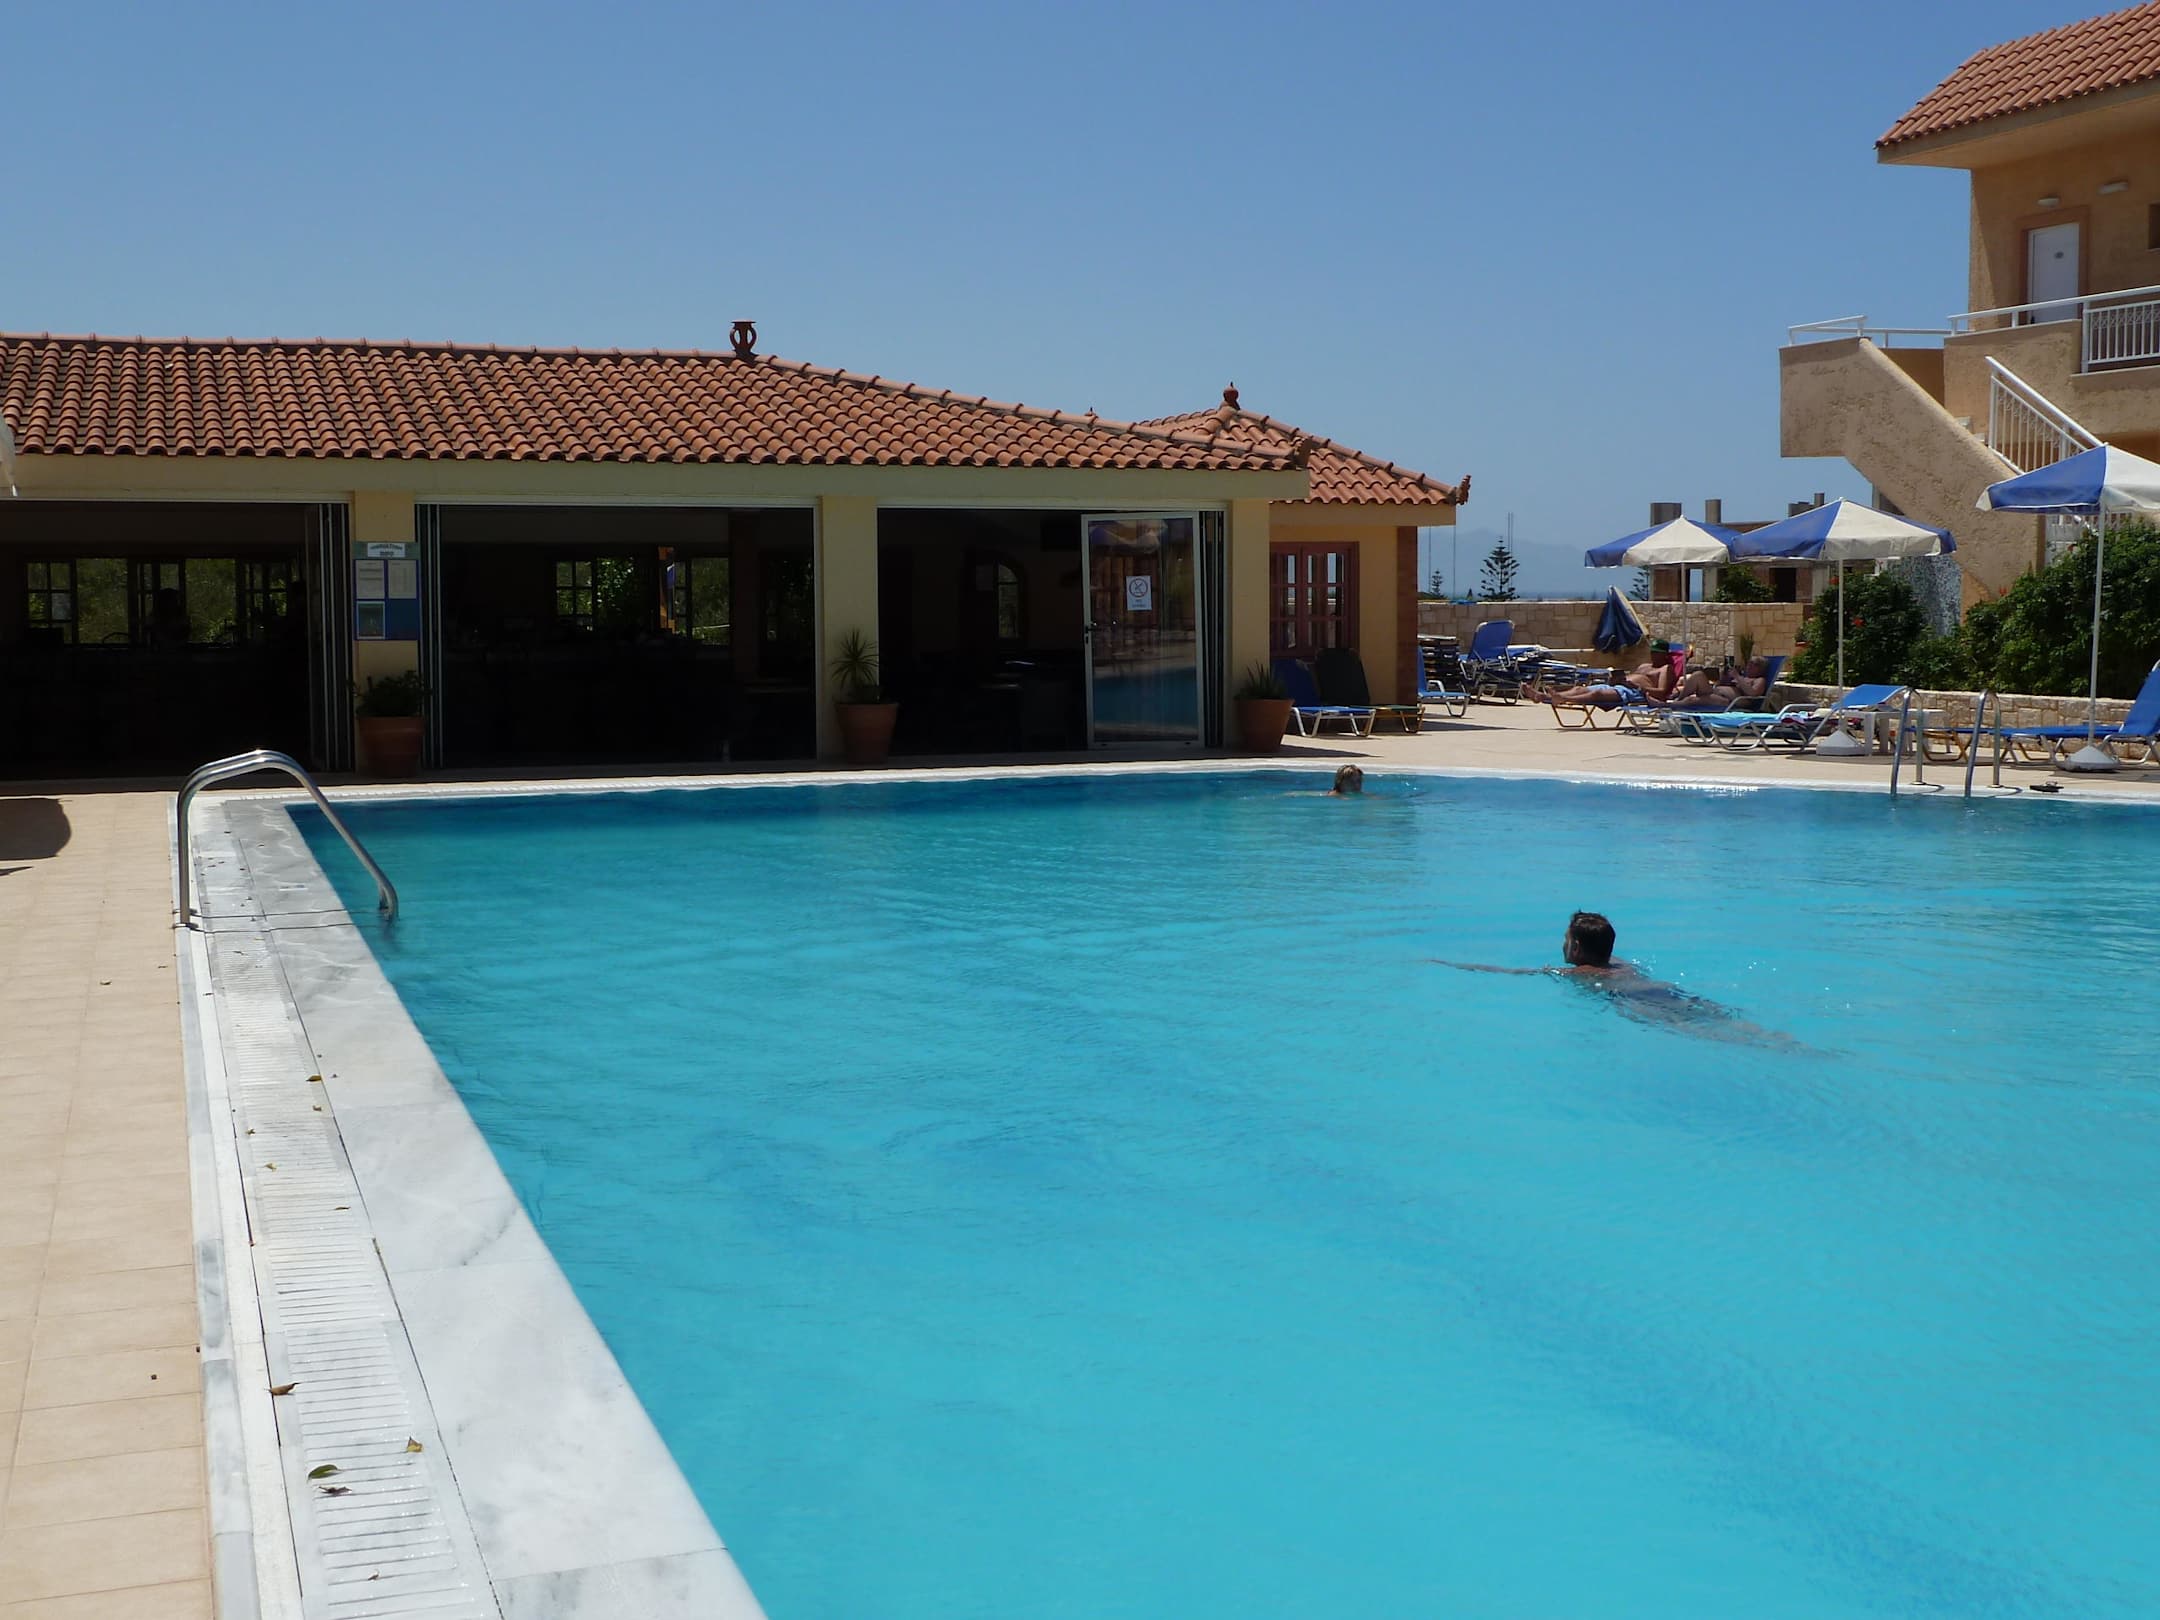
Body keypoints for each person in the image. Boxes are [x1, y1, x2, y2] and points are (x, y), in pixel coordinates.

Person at [1434, 910, 1801, 1049]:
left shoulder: (1576, 973)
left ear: (1575, 947)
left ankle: (1778, 1047)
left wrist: (1451, 964)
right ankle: (1782, 1041)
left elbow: (1510, 972)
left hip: (1639, 1003)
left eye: (1565, 940)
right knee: (1721, 1019)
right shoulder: (1619, 964)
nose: (1561, 945)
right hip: (1667, 991)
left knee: (1708, 1035)